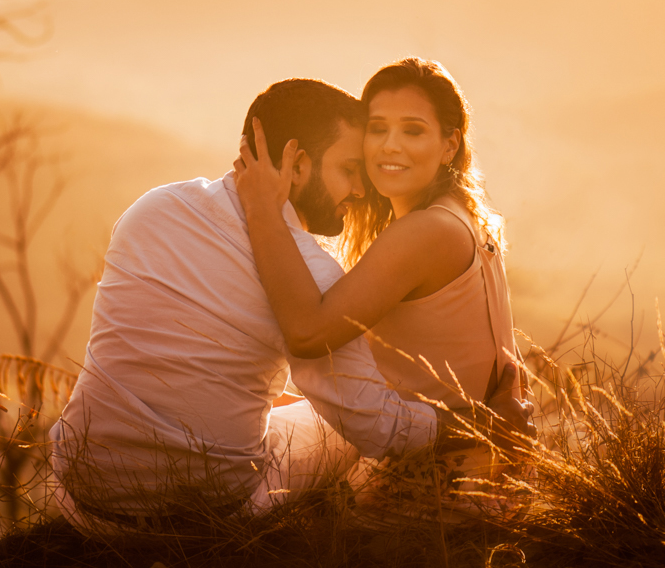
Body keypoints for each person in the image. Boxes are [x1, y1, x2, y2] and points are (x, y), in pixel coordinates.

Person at [48, 76, 529, 534]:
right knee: (339, 429)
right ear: (297, 165)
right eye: (348, 170)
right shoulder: (310, 274)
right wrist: (480, 425)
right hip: (210, 508)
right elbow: (374, 425)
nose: (360, 191)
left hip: (83, 494)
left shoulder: (152, 208)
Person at [232, 57, 529, 520]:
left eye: (413, 130)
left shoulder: (424, 233)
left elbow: (309, 336)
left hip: (433, 492)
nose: (390, 146)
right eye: (377, 128)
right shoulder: (462, 216)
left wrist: (261, 210)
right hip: (478, 470)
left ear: (449, 144)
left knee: (230, 469)